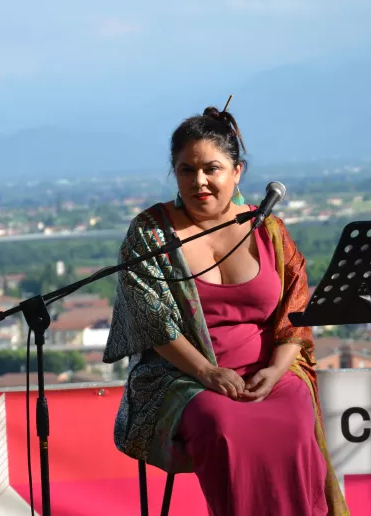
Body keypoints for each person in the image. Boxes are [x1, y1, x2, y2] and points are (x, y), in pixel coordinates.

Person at [103, 107, 349, 516]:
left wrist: (276, 369)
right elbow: (153, 322)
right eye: (186, 170)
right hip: (184, 377)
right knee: (223, 426)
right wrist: (209, 372)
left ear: (236, 172)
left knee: (293, 416)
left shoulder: (268, 228)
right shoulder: (150, 233)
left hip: (272, 372)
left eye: (211, 169)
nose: (198, 181)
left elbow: (295, 312)